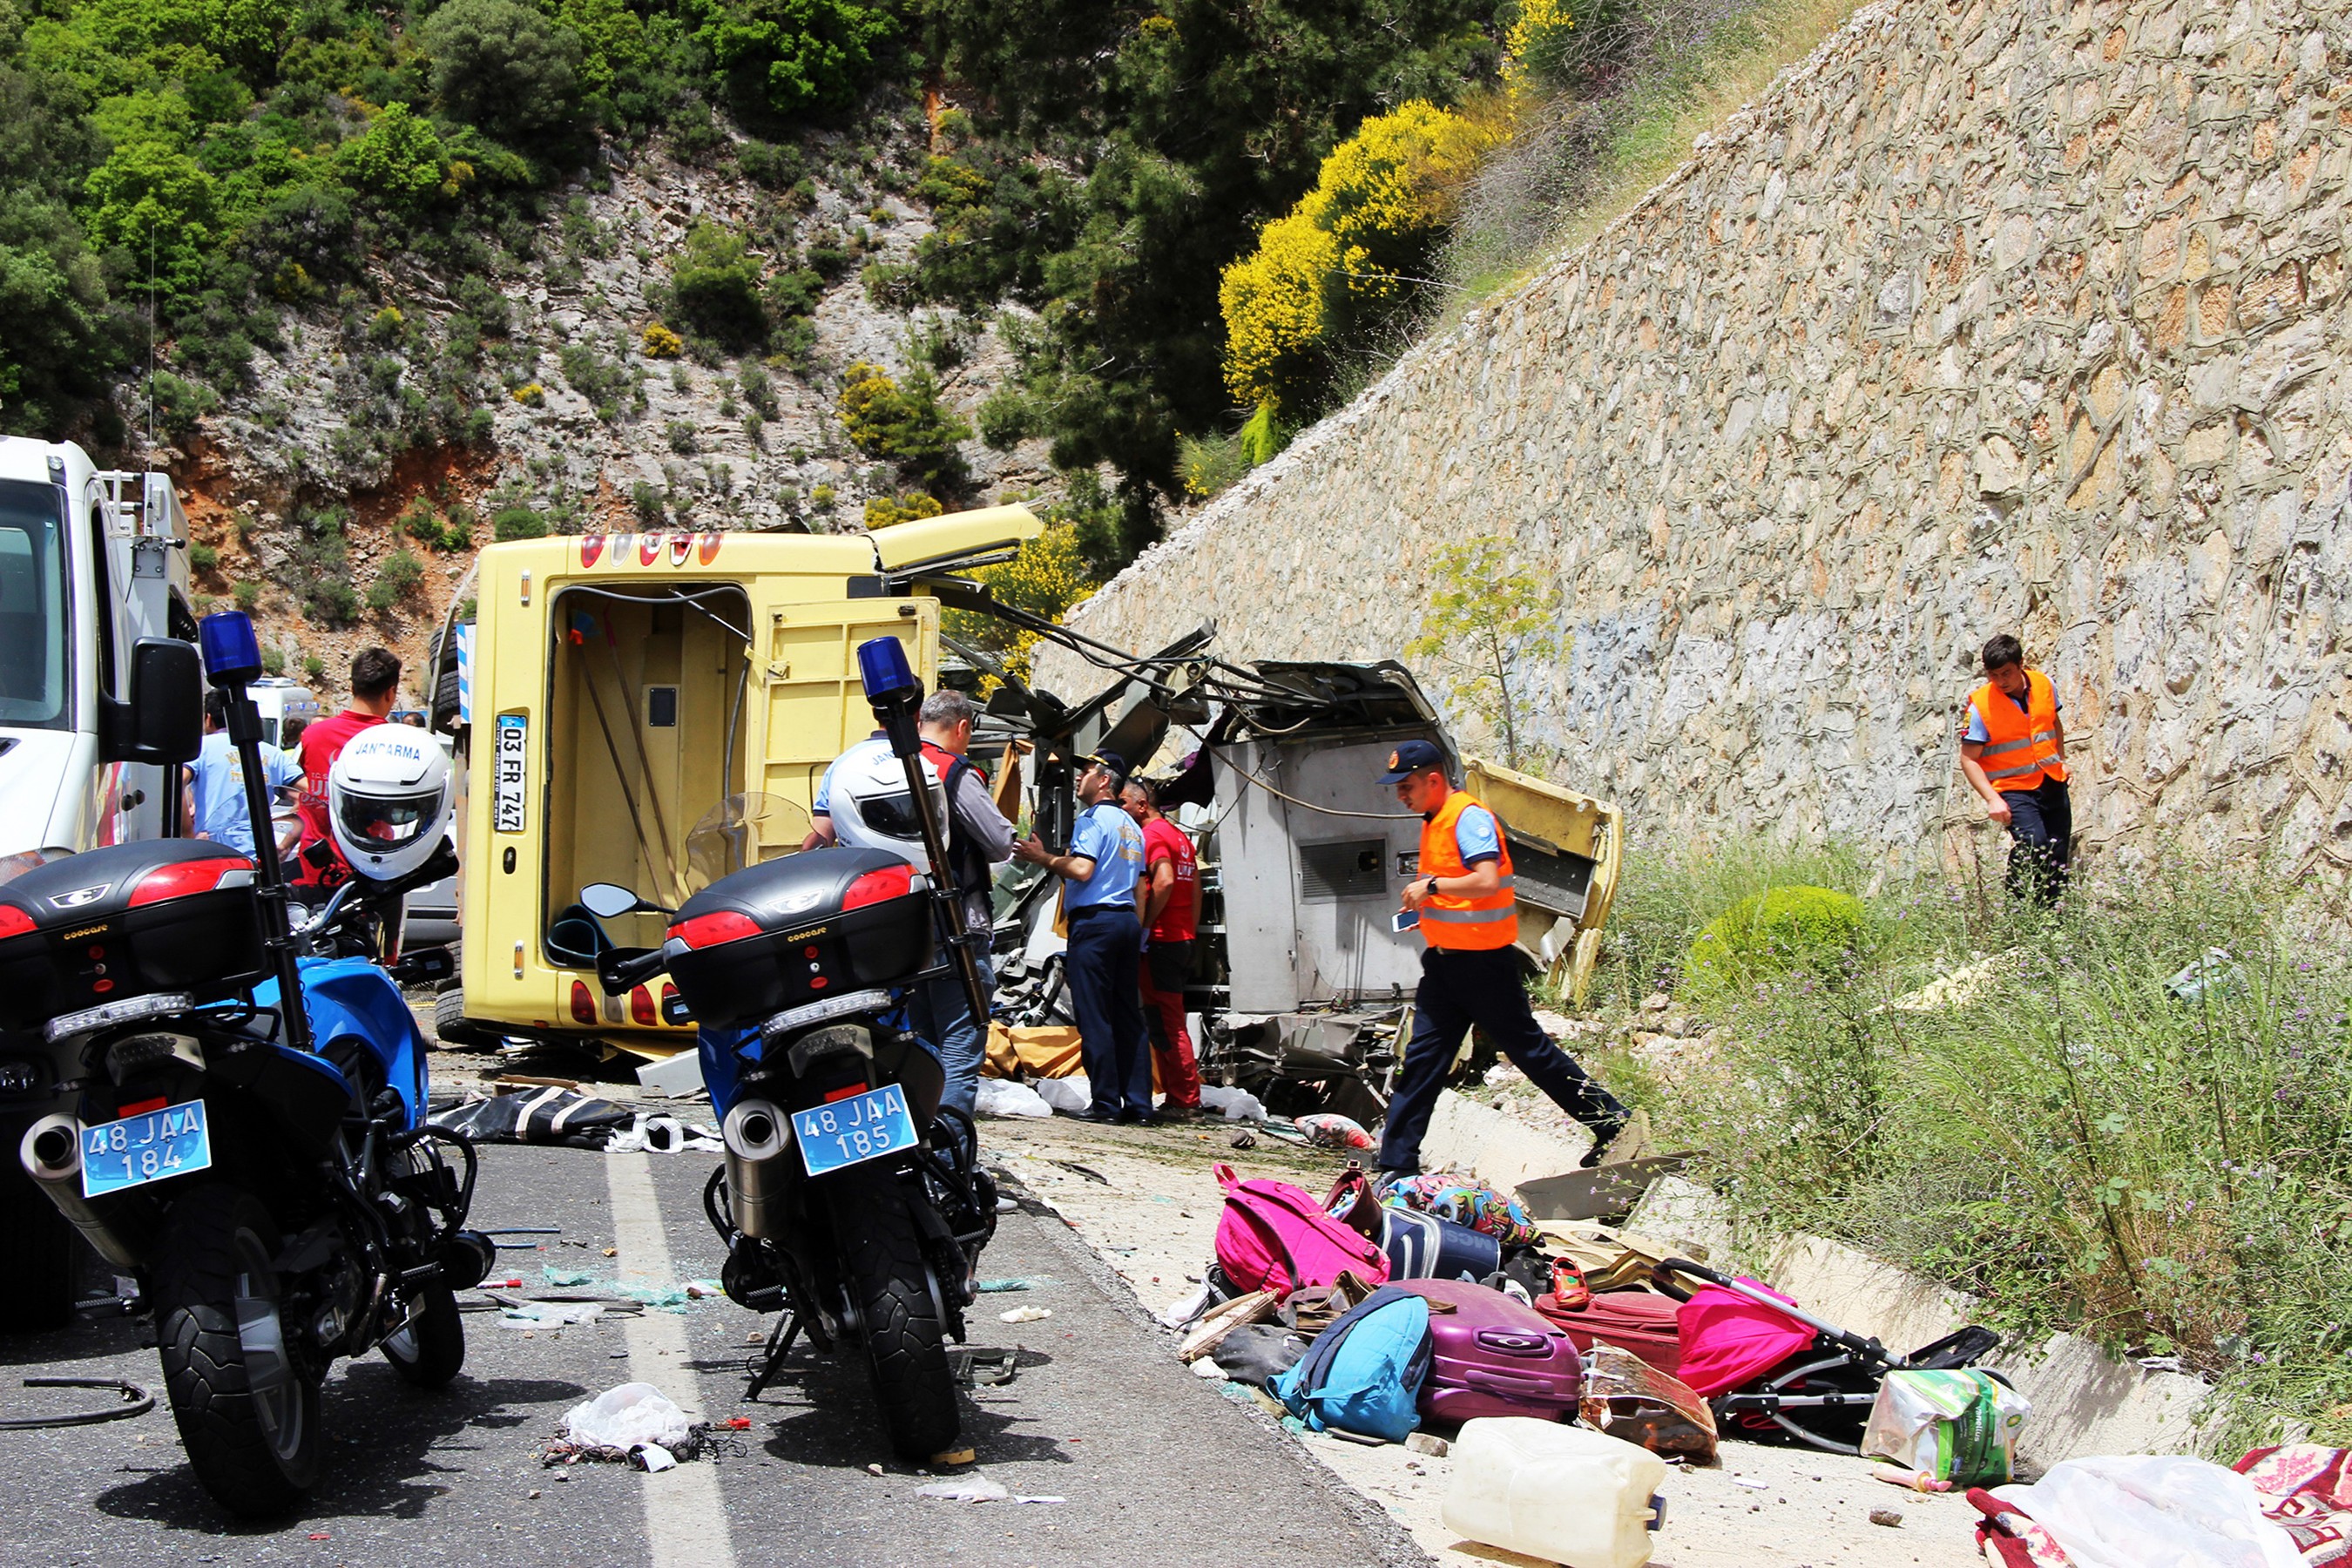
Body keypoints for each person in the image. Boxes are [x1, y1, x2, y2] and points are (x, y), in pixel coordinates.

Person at [1375, 740, 1628, 1179]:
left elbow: (1487, 880)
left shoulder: (1469, 817)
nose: (1401, 794)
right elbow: (1462, 889)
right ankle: (1396, 1165)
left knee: (1529, 1050)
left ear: (1434, 780)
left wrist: (1430, 890)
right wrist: (1429, 913)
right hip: (1445, 964)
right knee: (1421, 1061)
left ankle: (1611, 1122)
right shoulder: (1434, 819)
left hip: (1482, 966)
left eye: (1407, 786)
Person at [808, 692, 1015, 1124]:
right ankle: (948, 1158)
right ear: (960, 728)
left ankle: (910, 1147)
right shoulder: (945, 769)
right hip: (955, 919)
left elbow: (816, 842)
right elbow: (998, 843)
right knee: (960, 1040)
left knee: (917, 1040)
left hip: (889, 926)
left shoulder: (847, 766)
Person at [1012, 751, 1151, 1123]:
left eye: (1086, 771)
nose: (1079, 778)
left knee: (1094, 1016)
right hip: (1124, 922)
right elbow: (1139, 887)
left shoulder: (1092, 819)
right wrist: (1137, 932)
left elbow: (1083, 869)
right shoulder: (1131, 826)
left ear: (1104, 780)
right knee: (1127, 1015)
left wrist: (1041, 857)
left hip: (1096, 923)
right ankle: (1139, 1103)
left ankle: (1106, 1104)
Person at [1957, 633, 2072, 905]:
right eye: (1993, 675)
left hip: (2051, 780)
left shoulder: (2045, 685)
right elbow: (1968, 759)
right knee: (2035, 843)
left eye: (2006, 673)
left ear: (2021, 664)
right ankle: (2018, 911)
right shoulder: (1980, 706)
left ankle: (2051, 921)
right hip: (2012, 789)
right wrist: (1992, 799)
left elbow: (2053, 723)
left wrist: (2062, 759)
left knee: (2057, 854)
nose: (2000, 681)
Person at [1121, 777, 1203, 1117]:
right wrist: (1190, 930)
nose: (1120, 808)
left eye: (1124, 802)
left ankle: (1184, 1099)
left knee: (1166, 1021)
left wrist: (1145, 925)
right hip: (1179, 937)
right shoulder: (1179, 837)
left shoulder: (1151, 835)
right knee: (1168, 1018)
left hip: (1162, 940)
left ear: (1142, 805)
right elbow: (1195, 889)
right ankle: (1178, 1095)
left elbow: (1165, 880)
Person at [294, 646, 400, 894]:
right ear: (391, 692)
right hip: (370, 868)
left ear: (352, 688)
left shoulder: (312, 734)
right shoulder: (394, 741)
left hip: (315, 864)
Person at [182, 690, 301, 856]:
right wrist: (287, 844)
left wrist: (188, 838)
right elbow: (308, 798)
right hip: (261, 856)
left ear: (208, 719)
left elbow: (176, 786)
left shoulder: (202, 747)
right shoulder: (272, 753)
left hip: (213, 853)